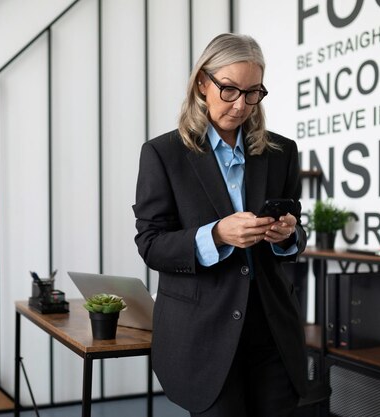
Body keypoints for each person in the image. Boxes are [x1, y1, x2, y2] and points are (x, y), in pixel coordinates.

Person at [132, 33, 308, 417]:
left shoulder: (282, 152)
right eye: (229, 90)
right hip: (202, 335)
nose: (241, 105)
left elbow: (296, 231)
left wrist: (287, 236)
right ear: (202, 83)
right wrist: (214, 235)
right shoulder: (163, 154)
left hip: (272, 331)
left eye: (252, 93)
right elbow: (151, 244)